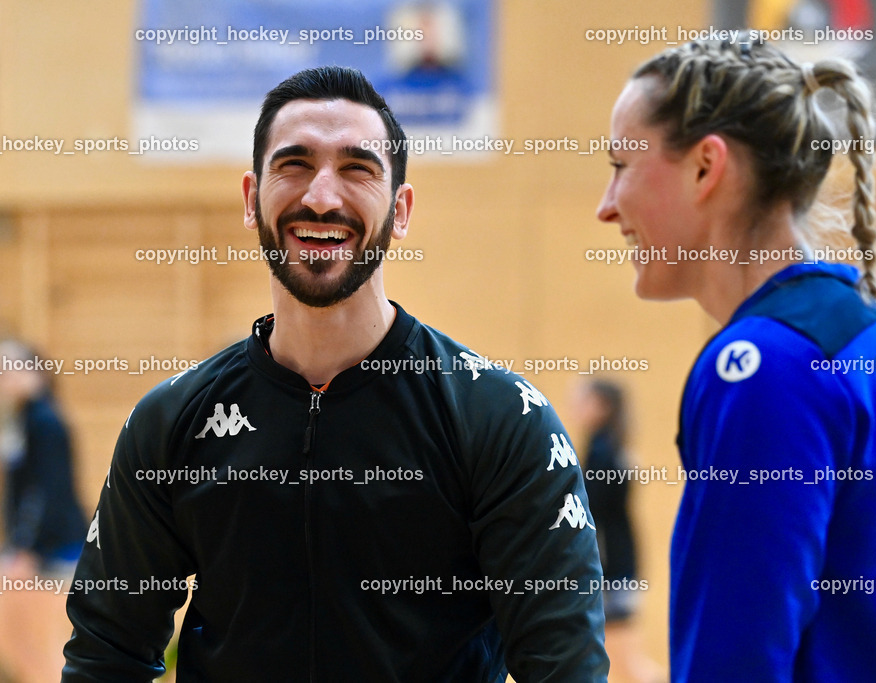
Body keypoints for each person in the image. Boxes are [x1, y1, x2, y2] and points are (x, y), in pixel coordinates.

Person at [63, 65, 608, 682]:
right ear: (251, 199)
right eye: (294, 164)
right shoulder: (171, 422)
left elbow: (564, 670)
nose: (322, 197)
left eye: (358, 169)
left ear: (400, 211)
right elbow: (104, 655)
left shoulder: (500, 417)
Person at [596, 39, 876, 682]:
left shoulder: (763, 367)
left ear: (707, 167)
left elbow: (734, 660)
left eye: (622, 164)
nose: (607, 205)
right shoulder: (862, 333)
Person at [0, 339, 87, 683]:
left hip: (54, 550)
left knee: (44, 648)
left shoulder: (45, 421)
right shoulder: (21, 422)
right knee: (10, 641)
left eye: (13, 366)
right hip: (35, 547)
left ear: (37, 372)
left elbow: (49, 493)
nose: (4, 376)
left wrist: (28, 550)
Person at [573, 380, 662, 683]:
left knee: (627, 665)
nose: (575, 406)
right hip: (618, 567)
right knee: (617, 664)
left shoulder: (602, 452)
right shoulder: (610, 447)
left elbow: (591, 516)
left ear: (602, 407)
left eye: (582, 399)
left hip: (612, 570)